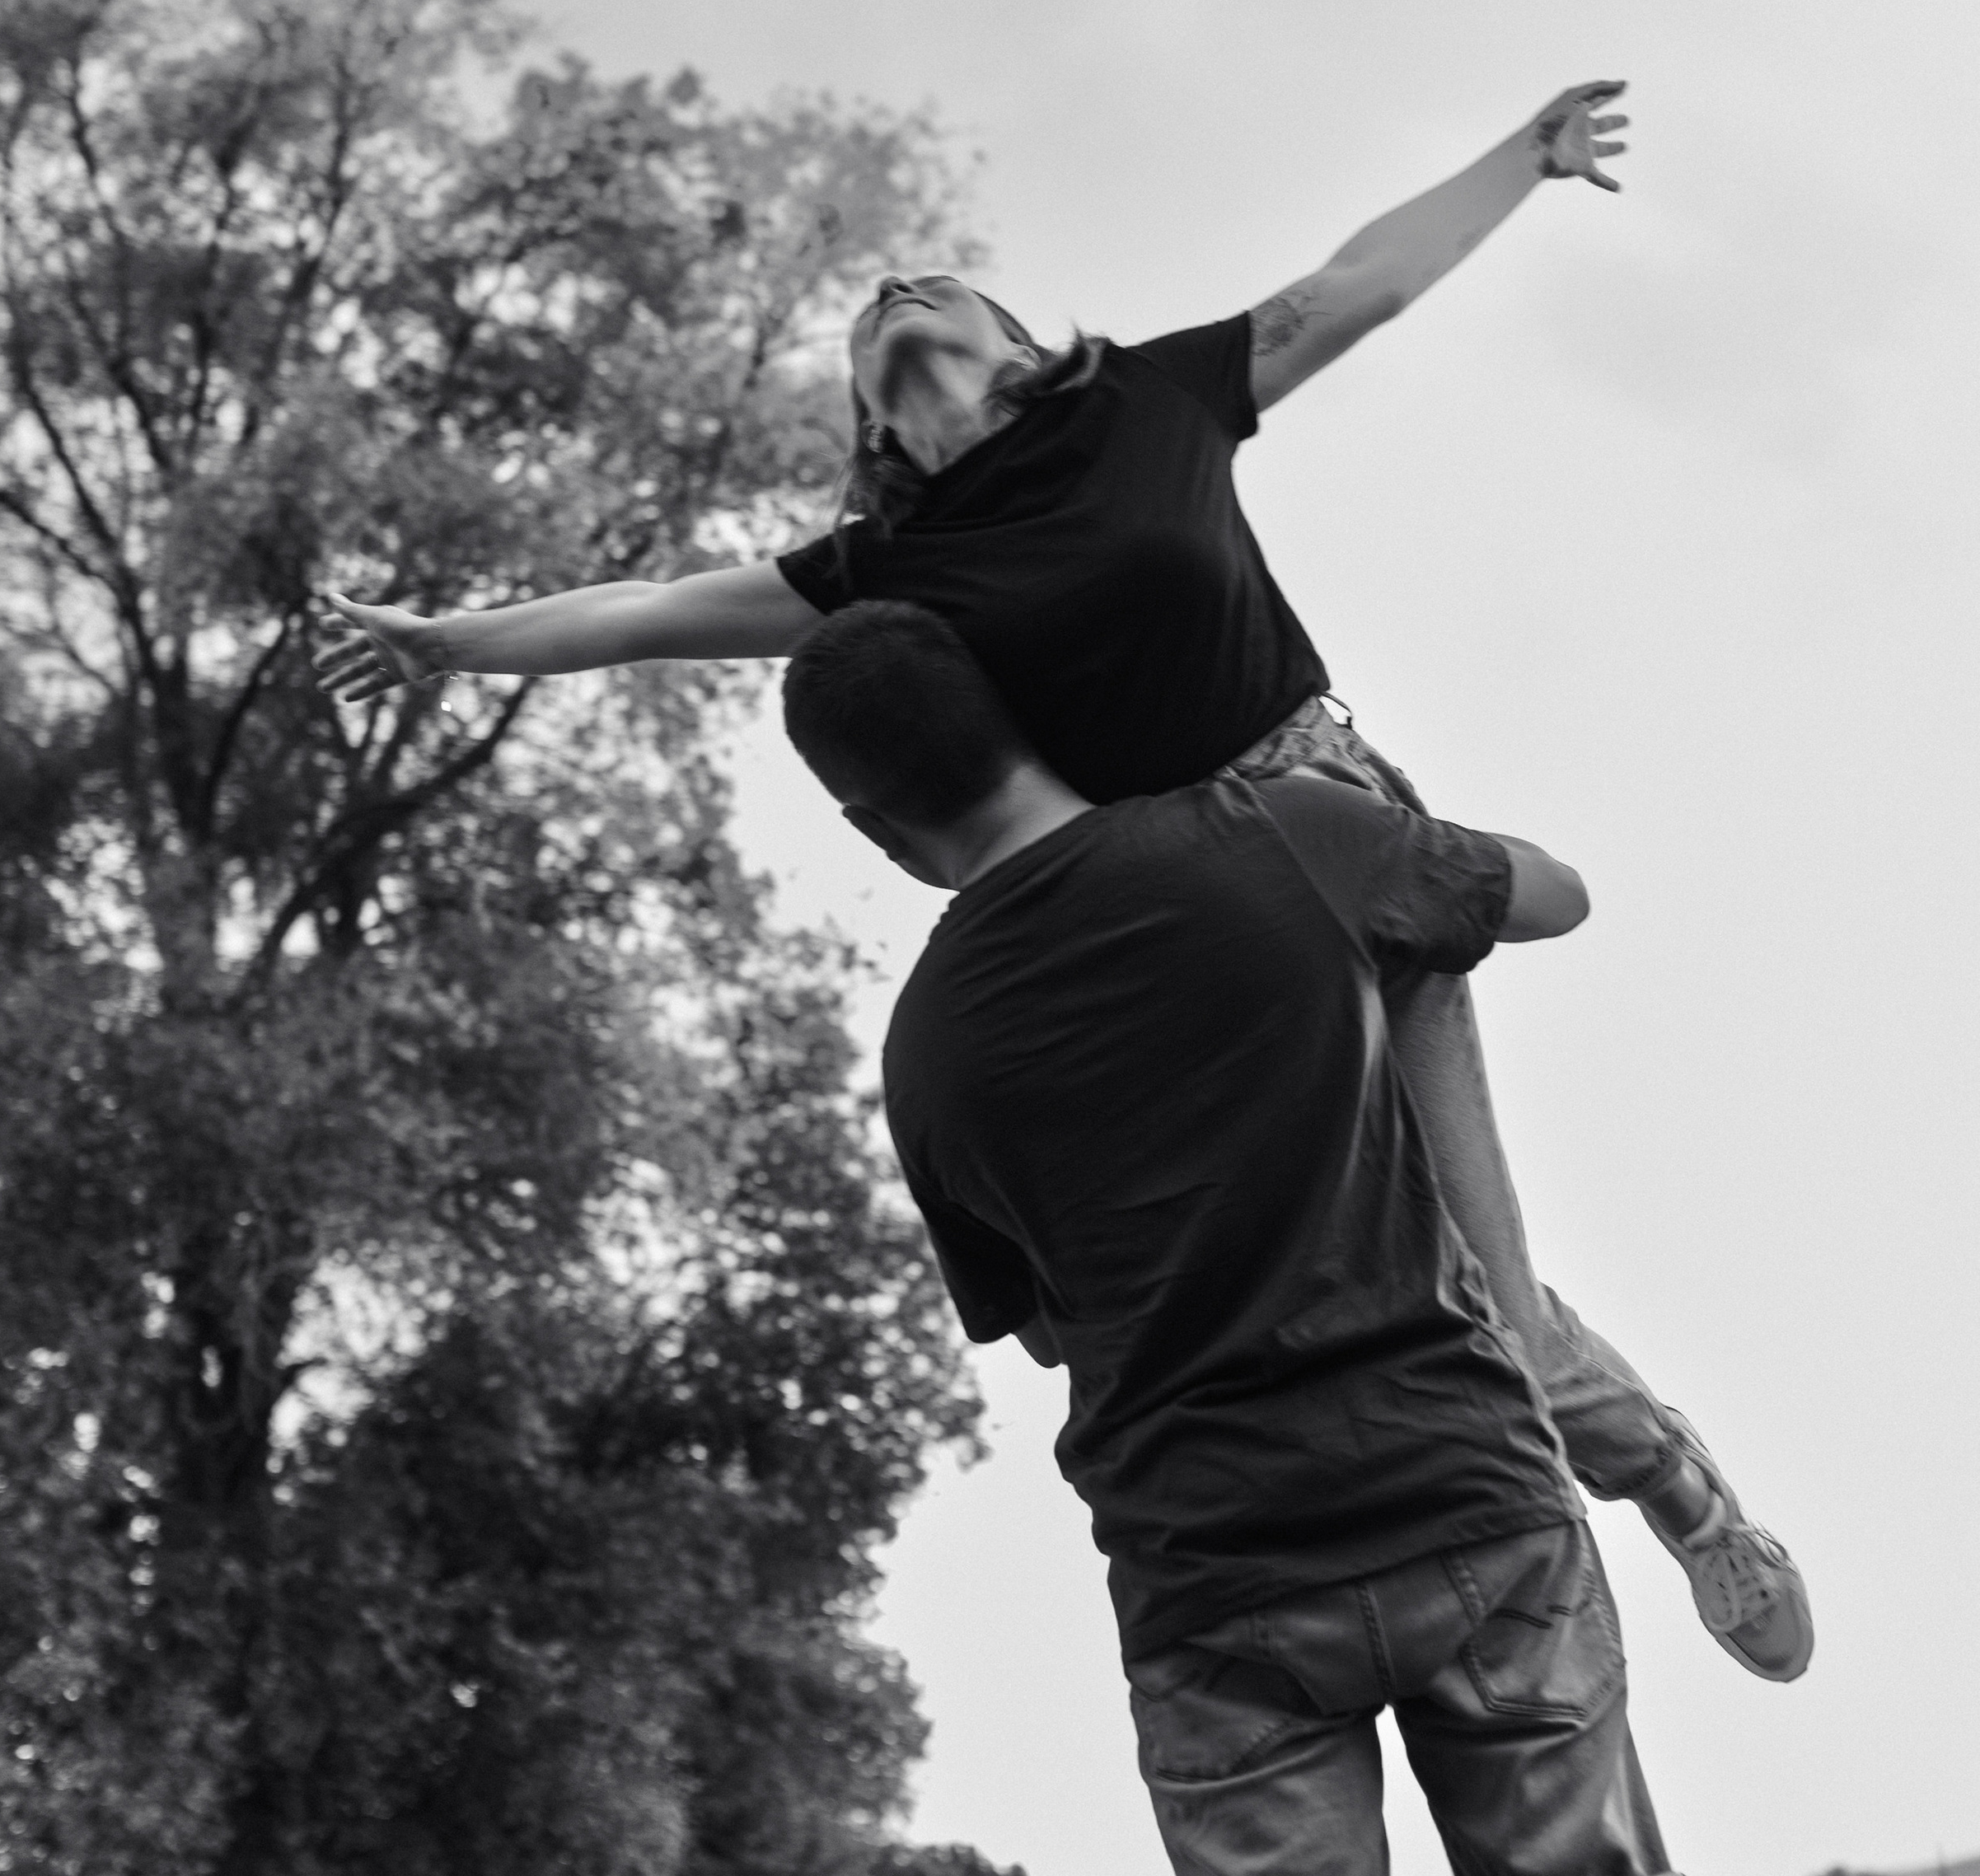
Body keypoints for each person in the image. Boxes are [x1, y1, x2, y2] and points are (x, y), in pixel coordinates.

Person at [313, 81, 1808, 1678]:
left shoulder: (1146, 407)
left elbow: (1355, 285)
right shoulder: (880, 570)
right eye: (872, 317)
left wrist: (1523, 159)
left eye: (934, 282)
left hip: (1339, 835)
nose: (896, 289)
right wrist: (450, 644)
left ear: (1020, 346)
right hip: (1189, 926)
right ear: (872, 429)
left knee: (1485, 1295)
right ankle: (1496, 1559)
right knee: (1383, 1291)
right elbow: (646, 612)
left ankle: (1673, 1493)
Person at [780, 597, 1782, 1876]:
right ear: (1029, 709)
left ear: (873, 830)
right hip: (1467, 1500)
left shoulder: (926, 1049)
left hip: (1213, 1587)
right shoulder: (1283, 833)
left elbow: (1047, 1326)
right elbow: (1546, 893)